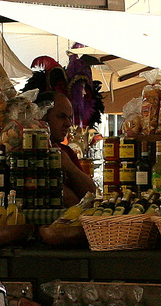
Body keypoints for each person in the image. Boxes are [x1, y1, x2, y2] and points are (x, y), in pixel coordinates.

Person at [21, 62, 103, 206]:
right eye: (61, 116)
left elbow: (91, 193)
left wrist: (69, 167)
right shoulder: (22, 150)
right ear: (43, 116)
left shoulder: (65, 151)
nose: (68, 124)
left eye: (69, 118)